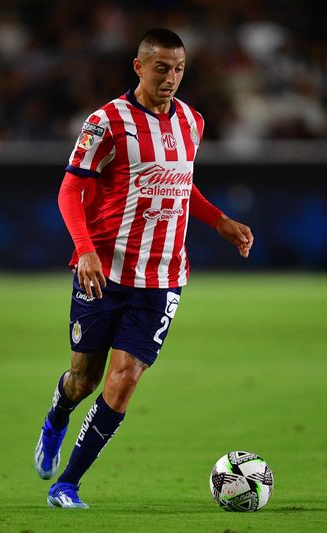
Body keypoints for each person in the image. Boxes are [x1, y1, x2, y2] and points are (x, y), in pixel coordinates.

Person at [34, 28, 254, 509]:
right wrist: (85, 248)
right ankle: (58, 411)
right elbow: (69, 191)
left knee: (126, 377)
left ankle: (67, 483)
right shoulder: (106, 122)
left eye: (178, 69)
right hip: (104, 272)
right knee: (84, 379)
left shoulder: (192, 122)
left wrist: (219, 221)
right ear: (138, 67)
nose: (171, 77)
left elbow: (180, 185)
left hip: (163, 278)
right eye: (161, 68)